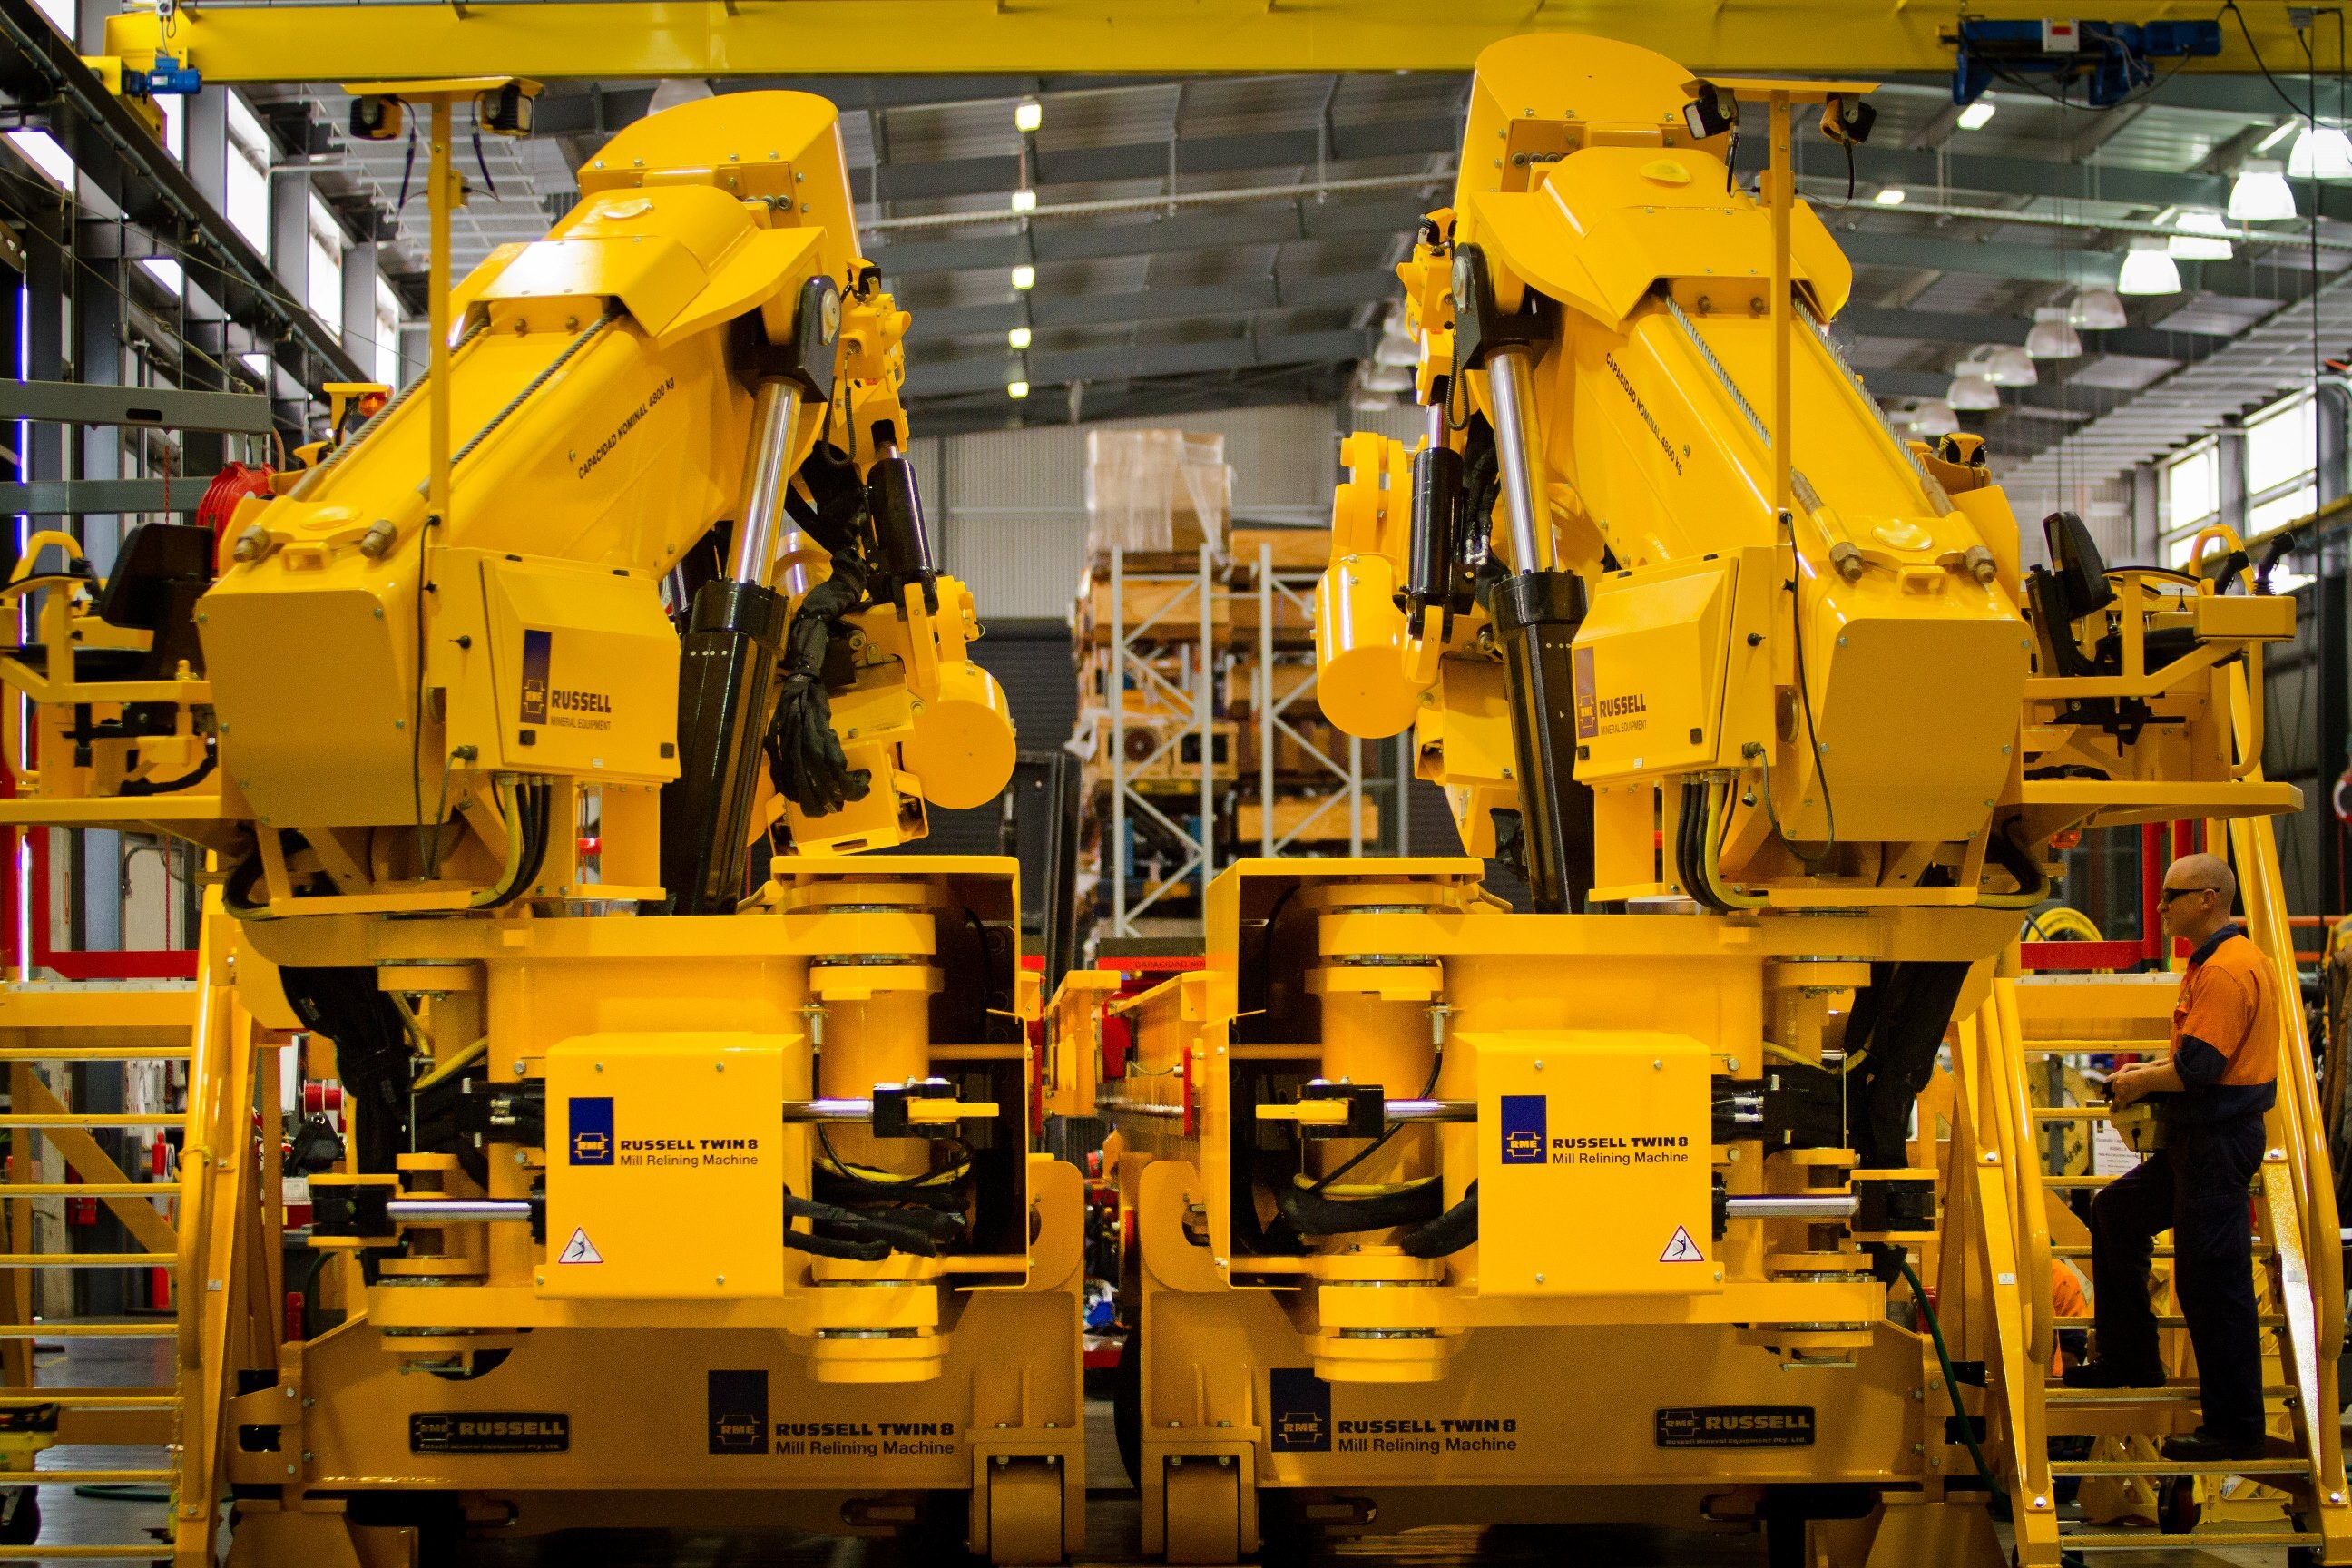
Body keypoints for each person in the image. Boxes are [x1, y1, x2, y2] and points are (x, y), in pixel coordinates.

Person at [2060, 852, 2280, 1463]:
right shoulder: (2212, 963)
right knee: (2116, 1214)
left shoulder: (2229, 970)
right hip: (2198, 1138)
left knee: (2212, 1279)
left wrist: (2142, 1083)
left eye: (2171, 896)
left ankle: (2234, 1425)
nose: (2159, 907)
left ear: (2209, 898)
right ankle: (2130, 1358)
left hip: (2218, 1140)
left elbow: (2202, 1069)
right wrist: (2150, 1075)